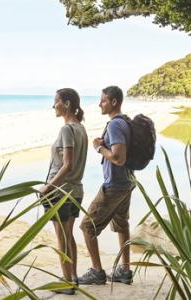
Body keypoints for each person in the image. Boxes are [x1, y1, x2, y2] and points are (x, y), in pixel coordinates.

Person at [78, 85, 134, 285]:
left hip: (115, 185)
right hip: (127, 182)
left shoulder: (114, 125)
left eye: (102, 100)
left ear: (114, 102)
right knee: (121, 224)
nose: (99, 104)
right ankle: (125, 271)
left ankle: (97, 271)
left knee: (87, 226)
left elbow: (118, 157)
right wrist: (105, 144)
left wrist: (99, 147)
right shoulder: (124, 122)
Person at [38, 88, 88, 295]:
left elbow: (67, 165)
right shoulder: (81, 128)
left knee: (62, 238)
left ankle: (67, 282)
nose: (54, 105)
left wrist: (48, 187)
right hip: (76, 190)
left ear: (67, 104)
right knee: (69, 235)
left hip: (61, 192)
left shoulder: (67, 130)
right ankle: (73, 277)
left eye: (56, 101)